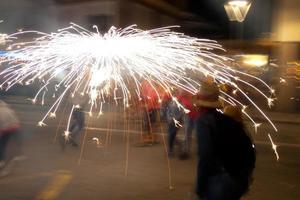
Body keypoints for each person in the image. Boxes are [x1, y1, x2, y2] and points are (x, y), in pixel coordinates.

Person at [193, 82, 255, 200]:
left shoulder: (204, 121)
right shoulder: (226, 120)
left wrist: (200, 187)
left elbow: (205, 157)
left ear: (200, 104)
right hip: (239, 179)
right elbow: (249, 147)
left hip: (223, 180)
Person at [0, 100, 24, 177]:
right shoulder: (9, 110)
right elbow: (16, 120)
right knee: (14, 144)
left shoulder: (2, 111)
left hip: (6, 129)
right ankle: (17, 156)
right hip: (15, 128)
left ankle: (3, 161)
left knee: (3, 144)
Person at [166, 90, 183, 157]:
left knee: (172, 134)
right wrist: (169, 118)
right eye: (174, 95)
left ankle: (172, 147)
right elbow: (168, 111)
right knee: (171, 135)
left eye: (176, 95)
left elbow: (181, 113)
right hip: (170, 122)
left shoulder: (180, 104)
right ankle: (171, 149)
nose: (175, 97)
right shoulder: (171, 103)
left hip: (177, 122)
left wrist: (175, 119)